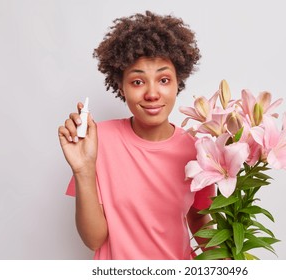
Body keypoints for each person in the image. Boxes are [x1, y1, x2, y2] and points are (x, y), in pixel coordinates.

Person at [58, 10, 214, 260]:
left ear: (178, 83)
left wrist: (229, 261)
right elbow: (94, 239)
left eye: (164, 80)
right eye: (138, 82)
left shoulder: (197, 151)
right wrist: (83, 170)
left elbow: (198, 218)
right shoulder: (98, 141)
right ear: (121, 86)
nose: (152, 94)